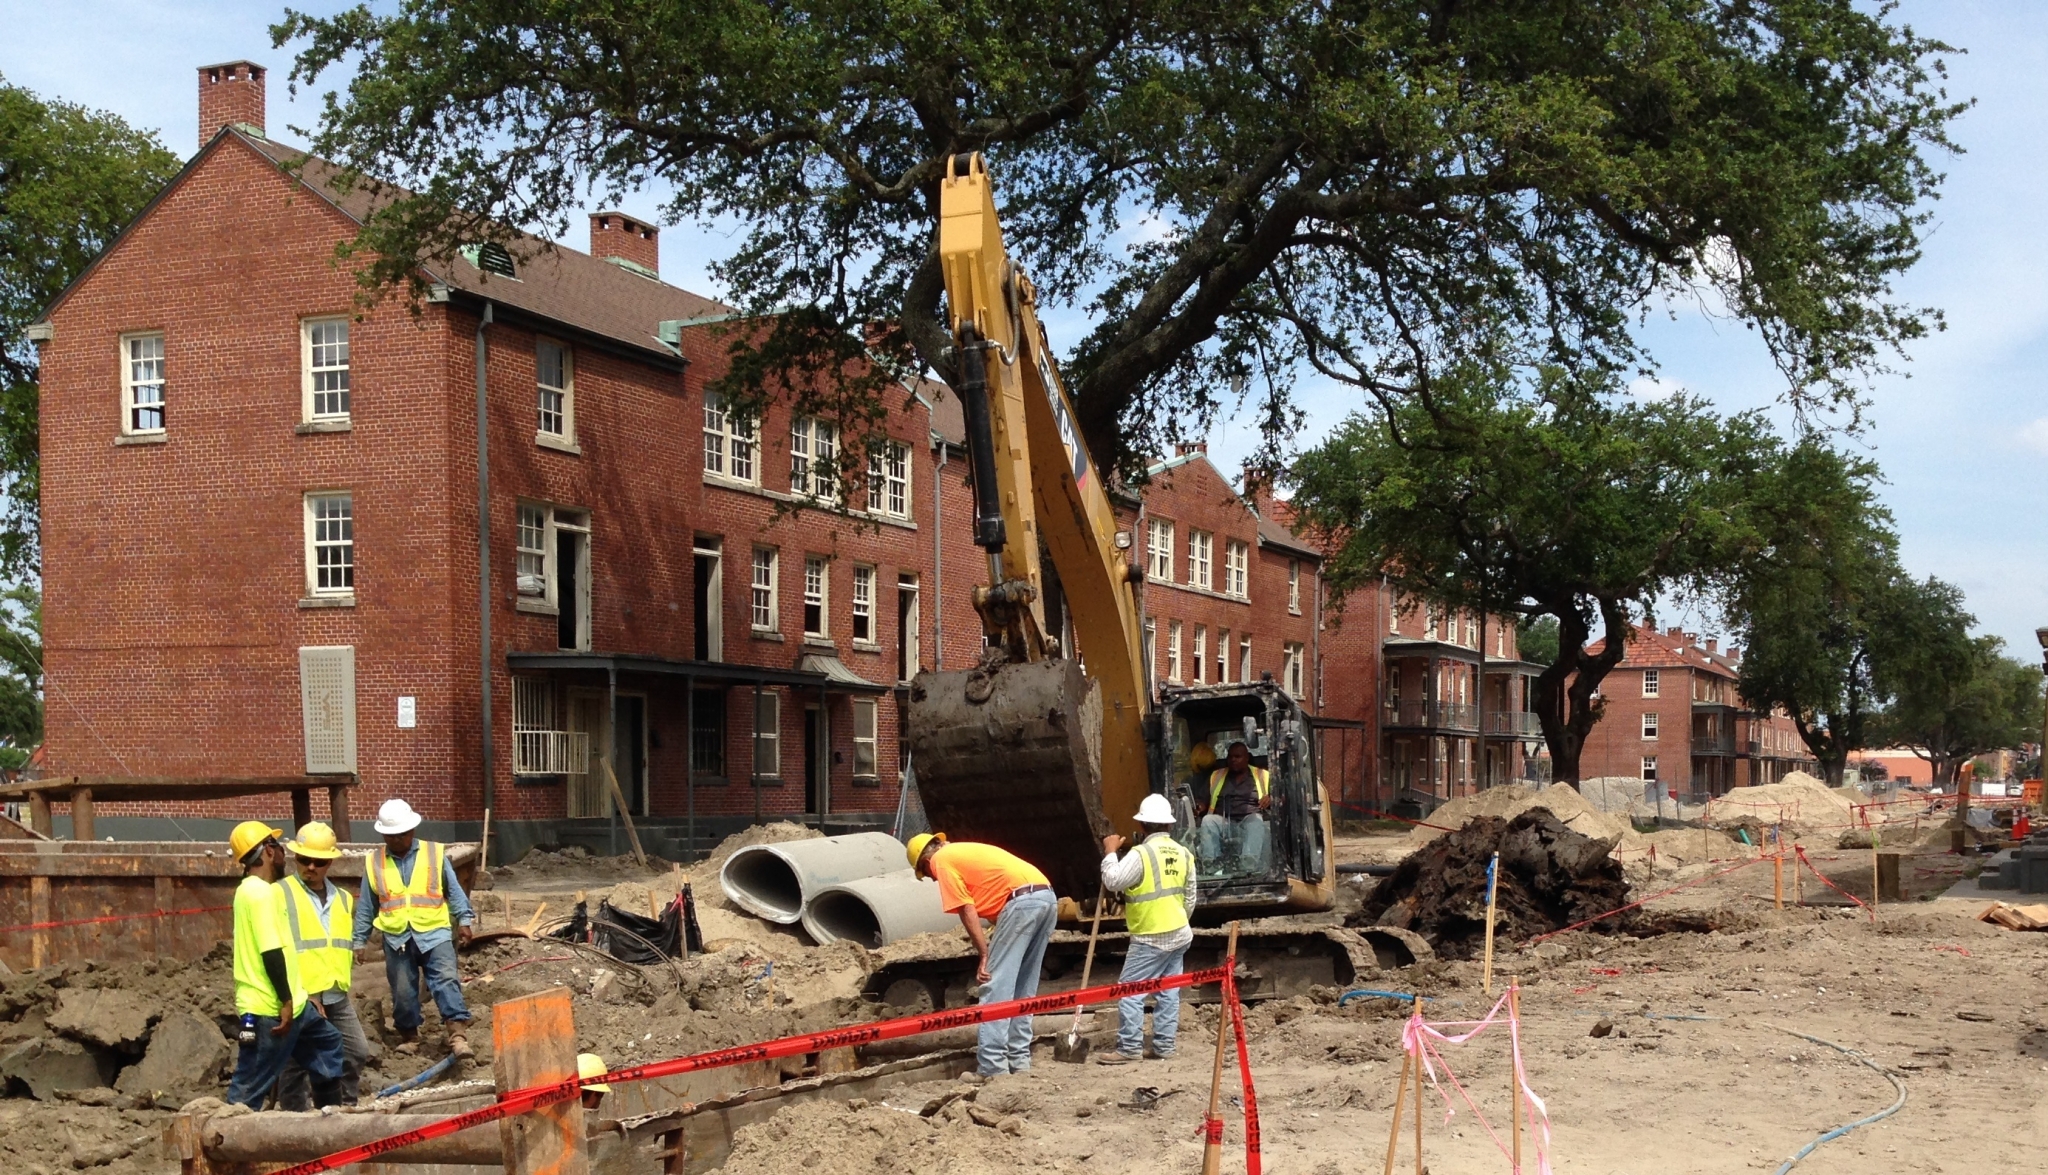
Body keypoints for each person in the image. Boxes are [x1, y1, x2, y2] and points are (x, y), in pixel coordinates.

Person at [908, 832, 1057, 1077]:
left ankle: (992, 1067)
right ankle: (1020, 1062)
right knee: (1023, 987)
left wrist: (984, 953)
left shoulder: (941, 860)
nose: (933, 879)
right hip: (1046, 897)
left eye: (927, 875)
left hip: (1020, 902)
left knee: (994, 985)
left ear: (925, 862)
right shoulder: (963, 851)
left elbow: (966, 909)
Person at [224, 820, 346, 1109]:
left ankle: (330, 1117)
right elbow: (271, 952)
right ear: (267, 850)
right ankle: (225, 1143)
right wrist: (286, 1001)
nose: (282, 854)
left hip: (297, 1006)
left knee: (328, 1044)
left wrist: (299, 997)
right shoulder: (261, 894)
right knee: (249, 1085)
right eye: (277, 847)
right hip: (270, 1010)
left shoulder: (248, 890)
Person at [352, 799, 476, 1056]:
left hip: (435, 932)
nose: (398, 840)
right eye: (392, 835)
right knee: (403, 991)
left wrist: (464, 920)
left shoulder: (434, 854)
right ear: (384, 834)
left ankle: (457, 1034)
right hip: (397, 936)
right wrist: (359, 940)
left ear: (412, 830)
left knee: (445, 980)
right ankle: (409, 1036)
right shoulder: (375, 863)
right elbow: (367, 905)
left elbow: (453, 890)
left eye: (402, 834)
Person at [277, 822, 375, 1109]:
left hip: (335, 992)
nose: (310, 867)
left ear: (329, 862)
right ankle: (292, 1122)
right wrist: (301, 993)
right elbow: (279, 949)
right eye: (304, 860)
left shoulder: (343, 899)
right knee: (295, 1063)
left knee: (355, 1051)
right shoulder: (281, 894)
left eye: (318, 862)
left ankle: (341, 1110)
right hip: (301, 995)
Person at [1096, 793, 1196, 1065]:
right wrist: (1176, 920)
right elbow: (1190, 898)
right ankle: (1163, 1046)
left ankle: (1128, 1047)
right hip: (1178, 932)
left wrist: (1110, 852)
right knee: (1168, 992)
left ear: (1142, 826)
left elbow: (1114, 880)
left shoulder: (1142, 854)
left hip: (1151, 935)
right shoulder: (1184, 854)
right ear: (1169, 826)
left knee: (1129, 990)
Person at [1195, 741, 1271, 873]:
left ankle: (1249, 864)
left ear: (1247, 758)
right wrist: (1199, 806)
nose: (1233, 760)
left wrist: (1271, 798)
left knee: (1256, 820)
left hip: (1249, 821)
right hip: (1224, 821)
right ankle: (1210, 864)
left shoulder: (1263, 776)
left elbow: (1280, 797)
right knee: (1208, 820)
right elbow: (1202, 799)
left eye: (1237, 757)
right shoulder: (1216, 776)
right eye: (1230, 757)